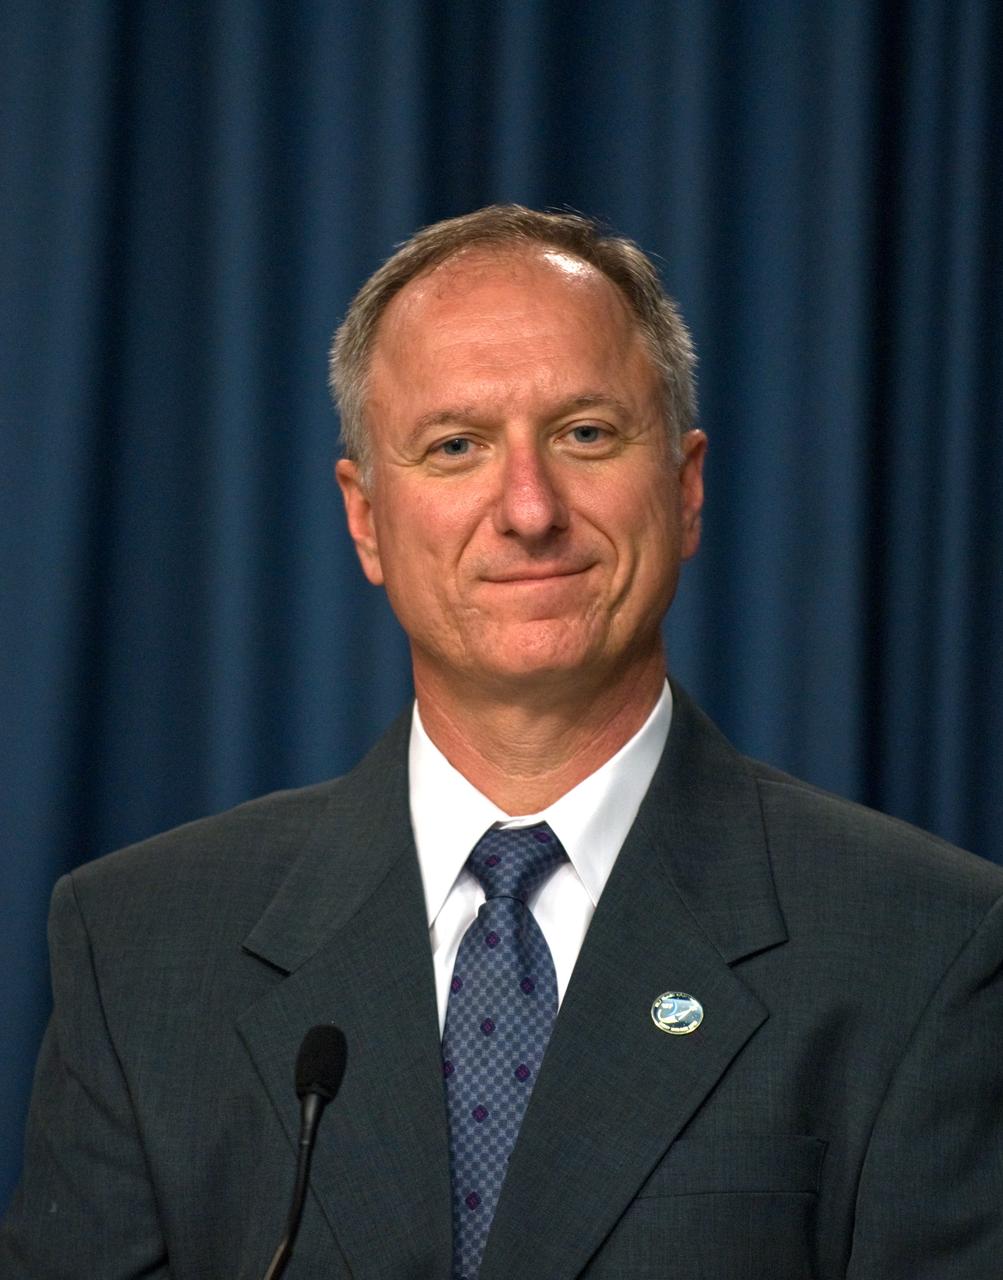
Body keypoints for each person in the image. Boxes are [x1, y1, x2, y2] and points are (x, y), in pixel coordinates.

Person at [3, 205, 1002, 1280]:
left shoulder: (927, 944)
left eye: (585, 433)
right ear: (366, 519)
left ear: (687, 484)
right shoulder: (137, 945)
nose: (528, 508)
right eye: (455, 446)